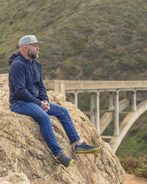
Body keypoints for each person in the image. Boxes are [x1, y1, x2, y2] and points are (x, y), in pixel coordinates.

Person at [8, 35, 100, 167]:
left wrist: (44, 101)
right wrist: (39, 104)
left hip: (35, 102)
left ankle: (78, 144)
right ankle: (58, 154)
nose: (38, 48)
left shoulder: (36, 65)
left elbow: (41, 86)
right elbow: (20, 91)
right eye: (35, 46)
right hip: (19, 103)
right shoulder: (17, 65)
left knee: (63, 112)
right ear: (25, 48)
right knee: (44, 117)